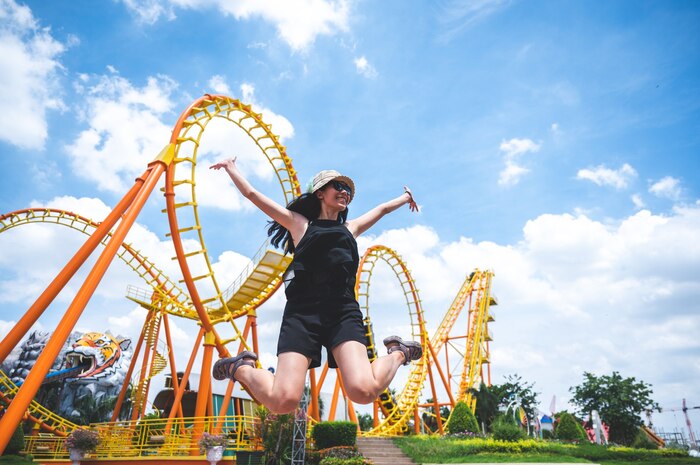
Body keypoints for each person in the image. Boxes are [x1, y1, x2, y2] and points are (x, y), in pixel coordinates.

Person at [209, 157, 422, 413]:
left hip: (342, 313)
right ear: (320, 193)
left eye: (348, 190)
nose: (345, 192)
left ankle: (399, 352)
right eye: (338, 186)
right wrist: (232, 167)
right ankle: (240, 367)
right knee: (283, 401)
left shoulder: (350, 229)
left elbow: (382, 210)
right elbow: (252, 194)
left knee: (363, 391)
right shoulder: (299, 224)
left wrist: (406, 197)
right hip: (302, 314)